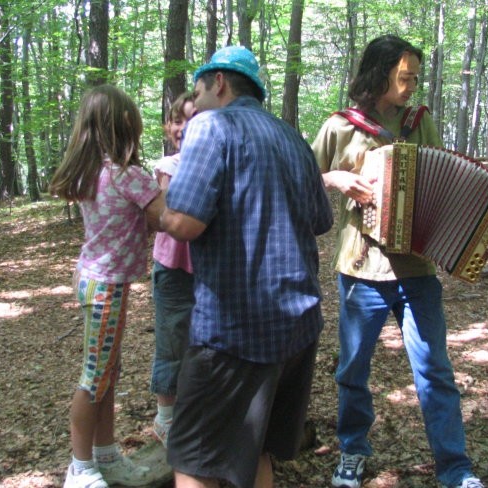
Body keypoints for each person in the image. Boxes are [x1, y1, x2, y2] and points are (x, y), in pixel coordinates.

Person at [311, 35, 488, 488]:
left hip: (417, 272)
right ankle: (352, 450)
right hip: (360, 271)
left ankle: (455, 468)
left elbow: (449, 187)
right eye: (404, 78)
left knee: (435, 370)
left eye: (416, 79)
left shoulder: (420, 122)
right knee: (352, 370)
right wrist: (335, 177)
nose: (411, 87)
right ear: (378, 73)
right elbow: (304, 183)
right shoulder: (338, 127)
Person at [159, 45, 333, 488]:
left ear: (219, 83)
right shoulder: (292, 136)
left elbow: (183, 222)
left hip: (233, 334)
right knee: (254, 450)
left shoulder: (211, 126)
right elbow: (321, 220)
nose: (193, 104)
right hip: (297, 328)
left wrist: (155, 208)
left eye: (197, 92)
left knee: (193, 460)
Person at [50, 84, 164, 488]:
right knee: (96, 377)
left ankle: (105, 455)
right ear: (123, 128)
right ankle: (79, 468)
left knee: (107, 374)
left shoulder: (91, 173)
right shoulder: (127, 176)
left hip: (92, 279)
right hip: (107, 286)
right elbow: (166, 218)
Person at [149, 92, 196, 448]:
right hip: (174, 268)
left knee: (202, 343)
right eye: (177, 120)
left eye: (191, 120)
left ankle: (194, 412)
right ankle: (166, 418)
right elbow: (164, 218)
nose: (182, 127)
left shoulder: (213, 161)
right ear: (168, 127)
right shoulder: (168, 166)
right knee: (172, 340)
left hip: (208, 269)